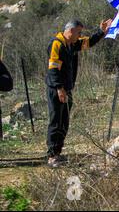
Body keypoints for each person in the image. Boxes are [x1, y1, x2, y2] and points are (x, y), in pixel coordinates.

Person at [46, 19, 112, 167]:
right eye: (78, 32)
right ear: (70, 31)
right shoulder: (57, 44)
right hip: (57, 90)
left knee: (64, 122)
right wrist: (59, 88)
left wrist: (102, 32)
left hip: (66, 89)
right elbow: (53, 69)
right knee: (56, 121)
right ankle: (52, 156)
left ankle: (58, 152)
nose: (80, 35)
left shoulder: (71, 44)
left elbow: (88, 42)